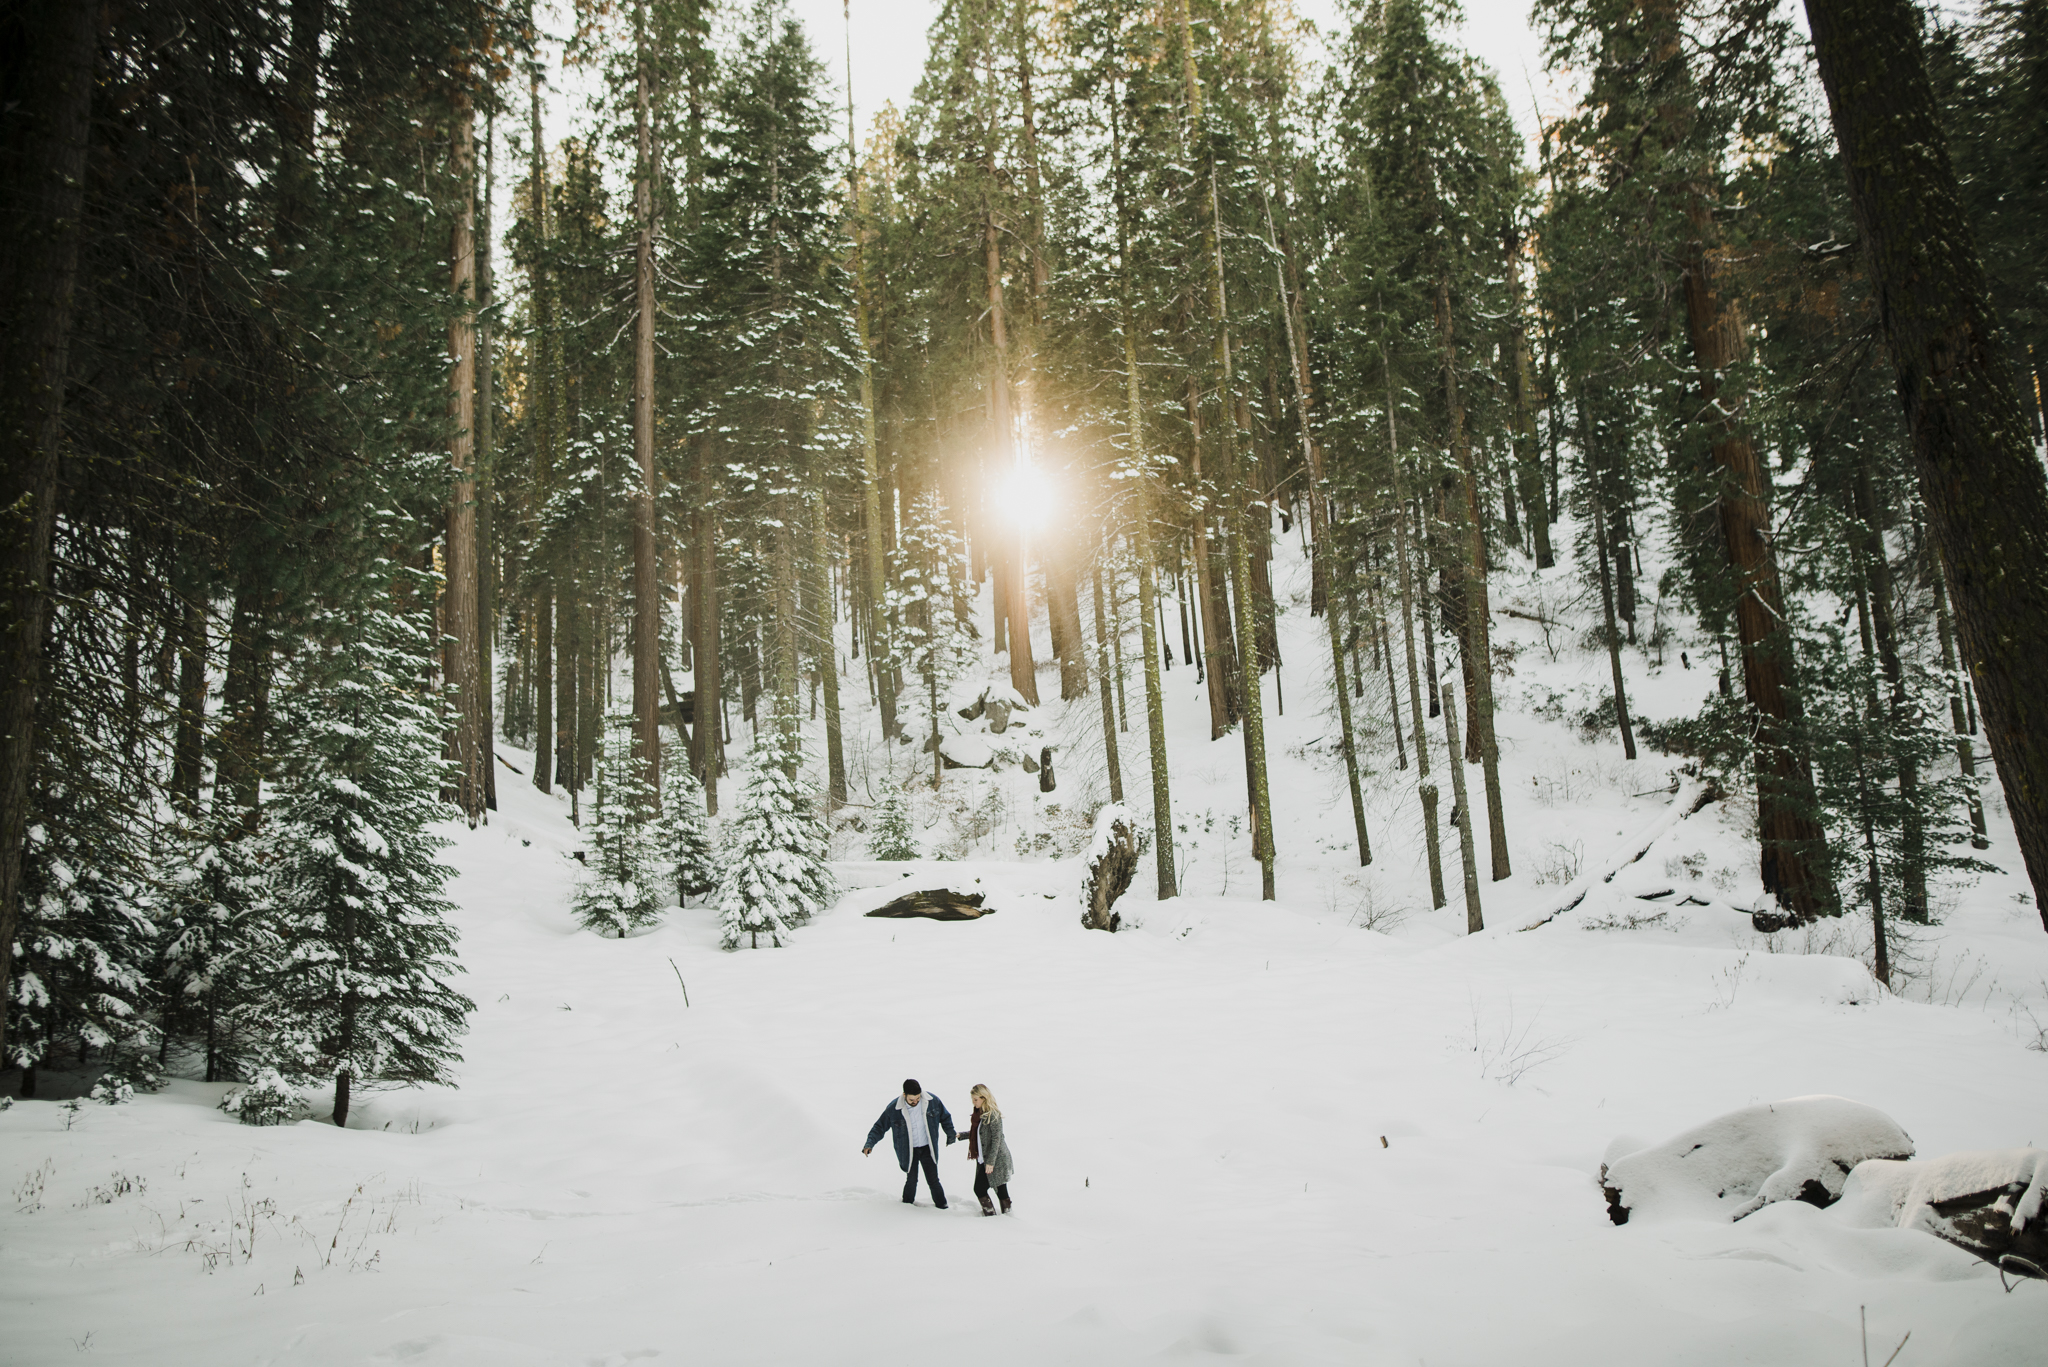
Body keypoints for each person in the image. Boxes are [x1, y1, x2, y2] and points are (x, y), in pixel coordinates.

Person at [863, 1078, 957, 1208]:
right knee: (912, 1180)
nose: (915, 1102)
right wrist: (869, 1144)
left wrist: (950, 1134)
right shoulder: (894, 1108)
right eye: (912, 1100)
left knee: (933, 1180)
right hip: (909, 1150)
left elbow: (945, 1117)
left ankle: (942, 1206)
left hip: (927, 1148)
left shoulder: (932, 1101)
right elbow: (879, 1127)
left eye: (918, 1098)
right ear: (904, 1095)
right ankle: (906, 1207)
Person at [965, 1083, 1014, 1216]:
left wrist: (991, 1163)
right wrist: (962, 1135)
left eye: (976, 1099)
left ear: (984, 1098)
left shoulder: (994, 1116)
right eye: (973, 1100)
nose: (974, 1102)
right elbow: (979, 1133)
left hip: (996, 1159)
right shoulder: (979, 1114)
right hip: (984, 1159)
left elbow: (996, 1140)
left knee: (980, 1189)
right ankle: (1006, 1215)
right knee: (1000, 1188)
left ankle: (992, 1217)